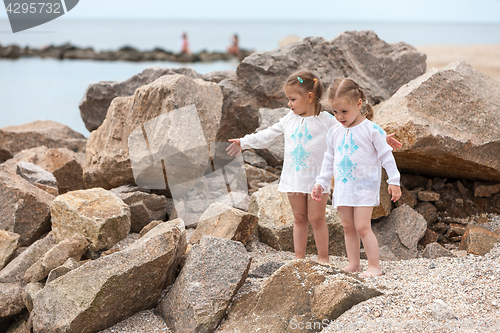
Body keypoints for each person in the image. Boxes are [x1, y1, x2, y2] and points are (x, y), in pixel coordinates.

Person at [227, 71, 402, 263]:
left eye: (292, 99)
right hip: (294, 178)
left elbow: (354, 129)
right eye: (288, 99)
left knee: (317, 219)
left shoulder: (327, 119)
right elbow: (266, 134)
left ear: (309, 97)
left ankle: (323, 258)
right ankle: (299, 258)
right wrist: (243, 142)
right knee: (299, 218)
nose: (289, 103)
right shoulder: (288, 119)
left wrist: (382, 139)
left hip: (317, 180)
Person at [311, 78, 402, 277]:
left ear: (358, 104)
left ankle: (374, 266)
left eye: (344, 111)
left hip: (364, 186)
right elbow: (329, 158)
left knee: (362, 226)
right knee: (347, 226)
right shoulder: (334, 131)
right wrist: (321, 182)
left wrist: (394, 181)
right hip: (343, 187)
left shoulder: (371, 129)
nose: (339, 117)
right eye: (335, 112)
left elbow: (386, 154)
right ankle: (353, 263)